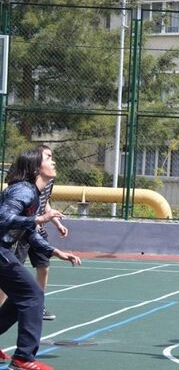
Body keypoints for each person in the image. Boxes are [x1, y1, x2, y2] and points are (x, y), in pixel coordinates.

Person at [0, 148, 81, 370]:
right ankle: (23, 358)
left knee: (22, 297)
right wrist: (39, 218)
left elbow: (28, 232)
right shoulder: (23, 191)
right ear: (36, 167)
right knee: (33, 295)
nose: (53, 162)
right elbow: (4, 217)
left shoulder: (32, 193)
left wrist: (54, 251)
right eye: (48, 158)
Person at [12, 145, 68, 321]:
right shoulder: (24, 184)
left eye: (52, 156)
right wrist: (34, 220)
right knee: (12, 272)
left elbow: (45, 202)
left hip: (38, 230)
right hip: (22, 232)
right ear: (36, 162)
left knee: (44, 266)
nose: (53, 161)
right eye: (48, 157)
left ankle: (38, 306)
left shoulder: (49, 179)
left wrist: (56, 222)